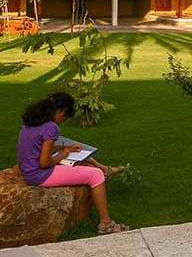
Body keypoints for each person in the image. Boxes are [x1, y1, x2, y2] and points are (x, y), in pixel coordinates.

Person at [16, 92, 129, 235]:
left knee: (77, 155)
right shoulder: (51, 127)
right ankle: (105, 224)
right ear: (60, 111)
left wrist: (64, 149)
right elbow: (44, 162)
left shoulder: (31, 121)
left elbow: (39, 148)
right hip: (40, 174)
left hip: (29, 171)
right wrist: (63, 154)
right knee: (96, 175)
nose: (62, 121)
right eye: (64, 117)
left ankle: (106, 169)